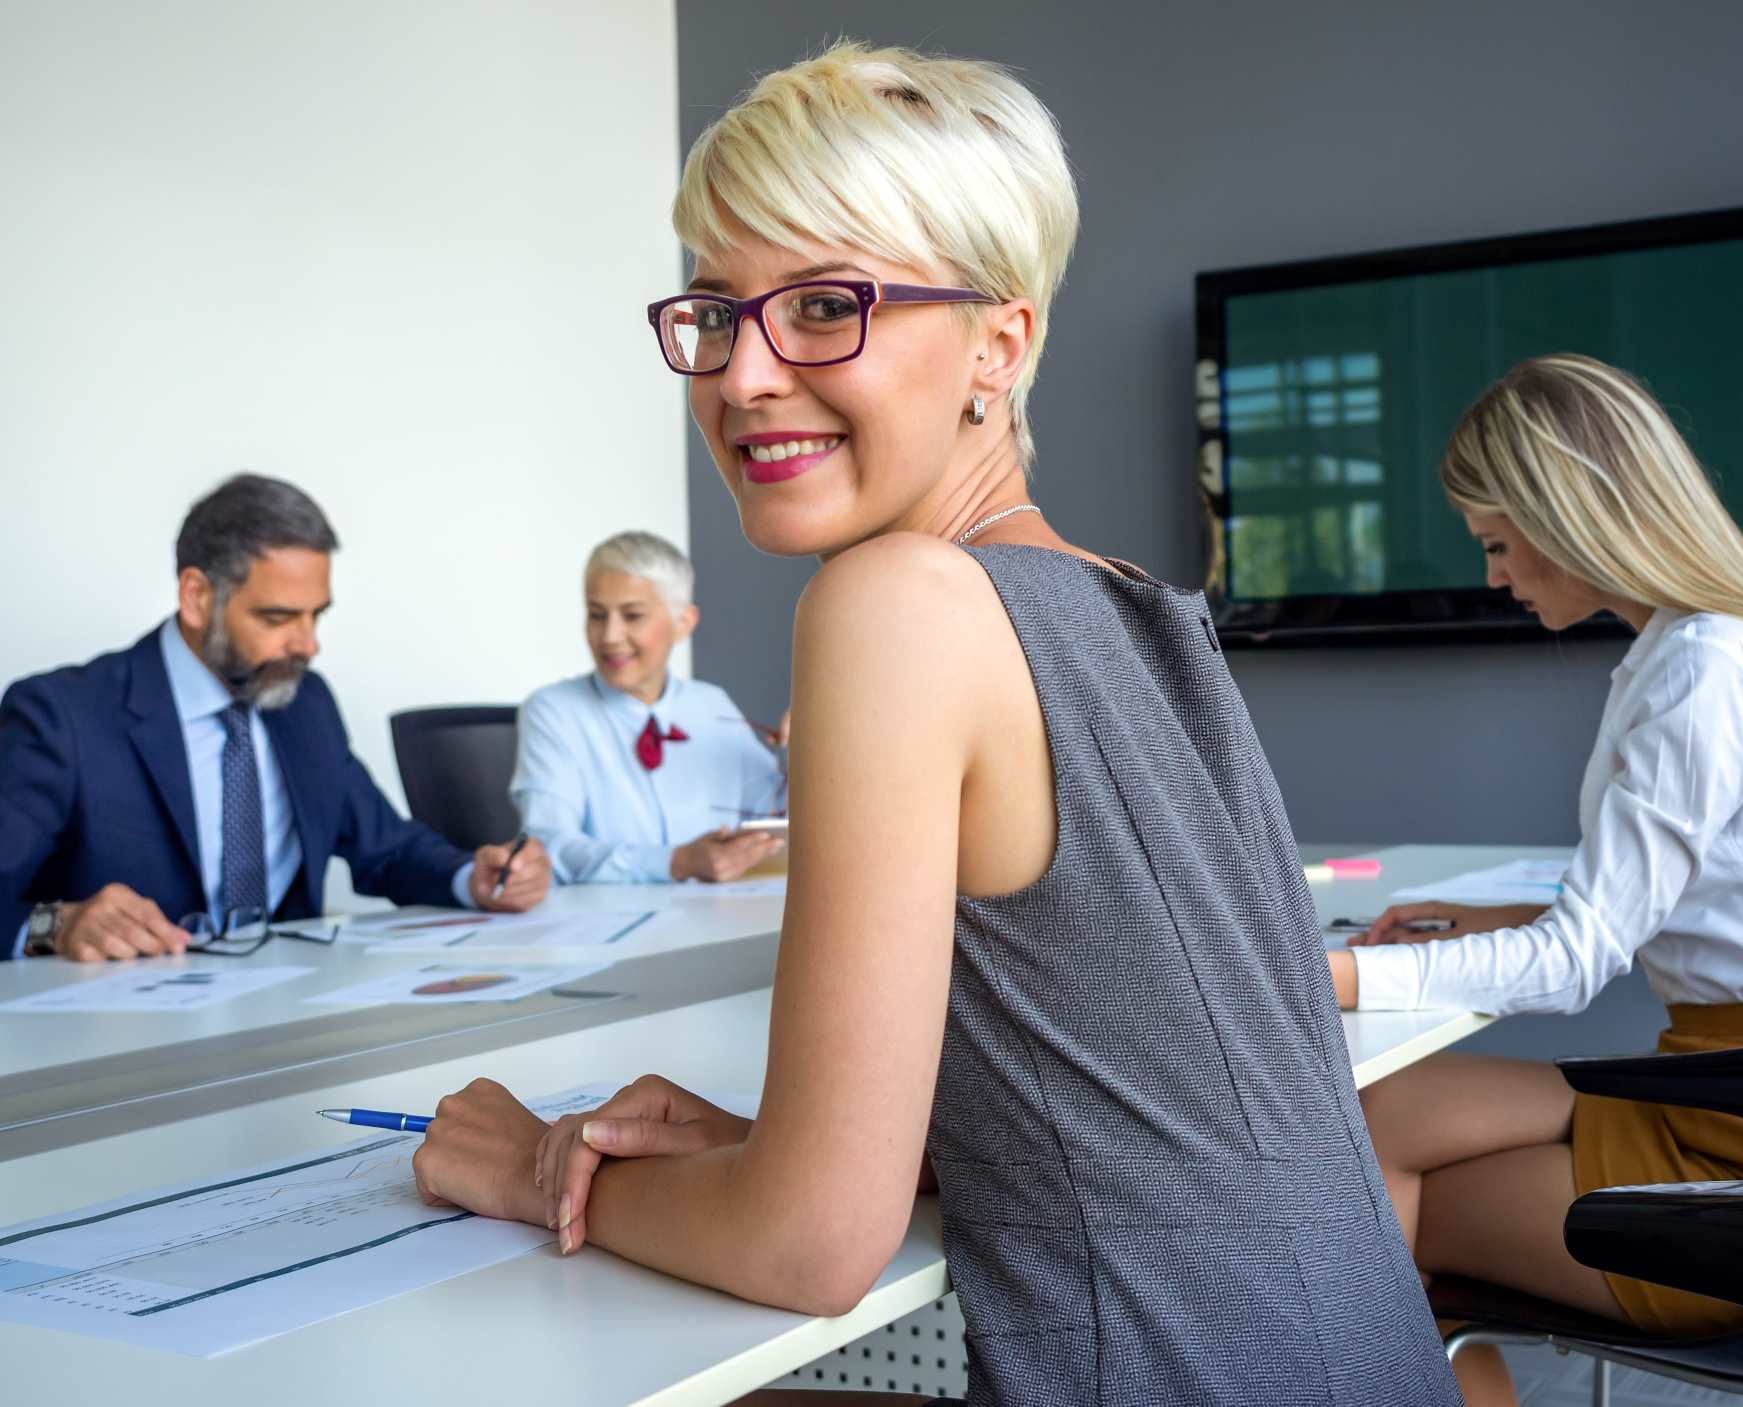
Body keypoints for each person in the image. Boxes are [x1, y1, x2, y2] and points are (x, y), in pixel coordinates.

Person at [411, 41, 1459, 1407]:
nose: (743, 376)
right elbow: (1172, 1095)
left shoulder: (894, 604)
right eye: (719, 315)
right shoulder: (1138, 611)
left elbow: (809, 1245)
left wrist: (529, 1164)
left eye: (827, 306)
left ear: (998, 341)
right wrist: (811, 1141)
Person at [1324, 354, 1743, 1406]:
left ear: (1571, 517)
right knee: (1357, 1129)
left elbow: (1576, 965)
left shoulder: (1705, 669)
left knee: (1359, 1211)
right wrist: (1481, 920)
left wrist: (1329, 979)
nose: (1495, 576)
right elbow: (1671, 908)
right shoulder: (1696, 651)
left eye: (1499, 543)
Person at [0, 473, 550, 961]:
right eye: (278, 617)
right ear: (196, 596)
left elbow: (386, 847)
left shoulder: (303, 702)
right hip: (115, 1038)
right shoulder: (62, 717)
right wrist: (57, 924)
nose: (308, 644)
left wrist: (471, 878)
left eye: (317, 615)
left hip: (283, 1019)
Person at [511, 531, 786, 885]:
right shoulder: (554, 711)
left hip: (718, 917)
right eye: (596, 615)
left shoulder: (711, 703)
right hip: (606, 925)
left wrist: (815, 748)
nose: (609, 636)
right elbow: (549, 846)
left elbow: (775, 815)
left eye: (633, 615)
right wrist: (676, 862)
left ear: (683, 623)